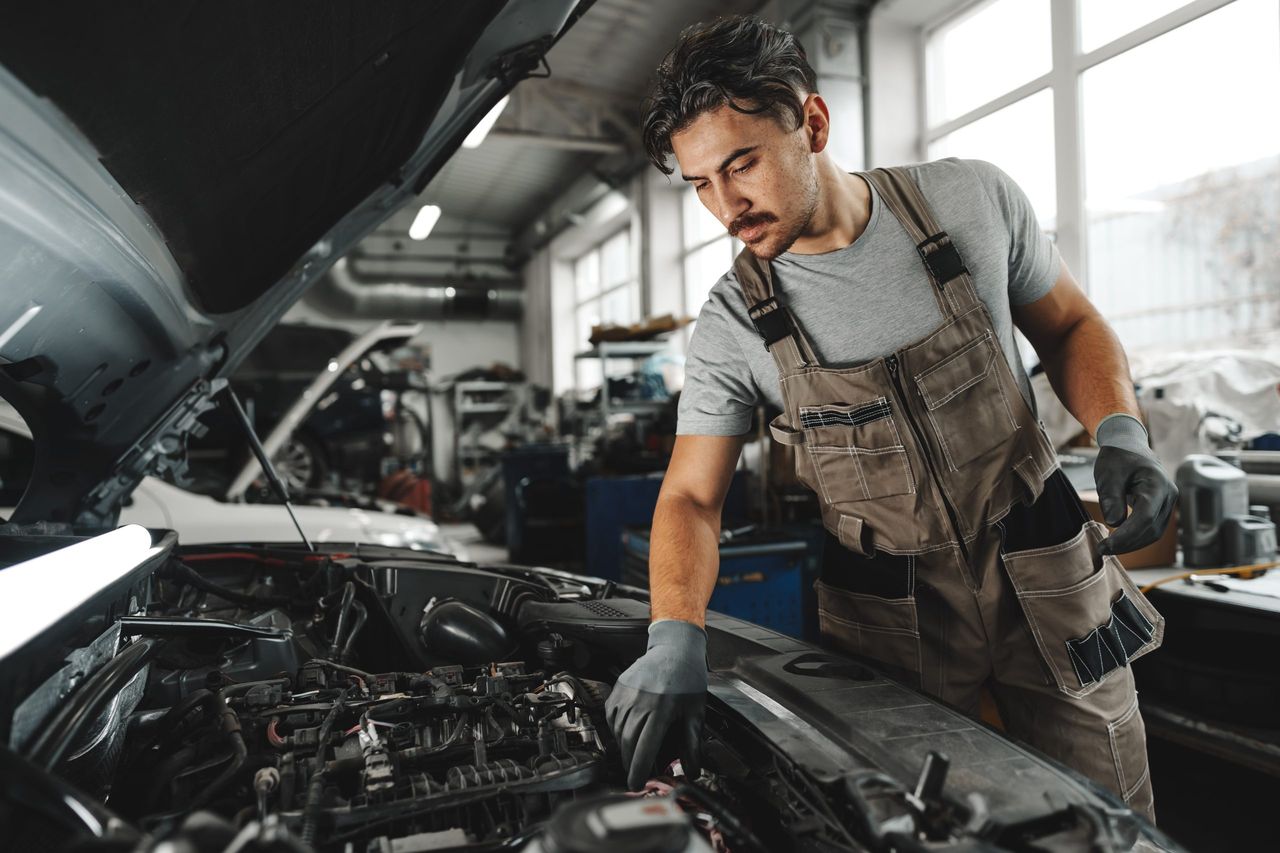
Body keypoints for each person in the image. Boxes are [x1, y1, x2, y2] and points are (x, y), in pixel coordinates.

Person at [604, 15, 1176, 822]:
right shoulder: (736, 321)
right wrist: (674, 631)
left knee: (1111, 824)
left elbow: (1072, 325)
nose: (726, 206)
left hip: (1046, 576)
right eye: (700, 184)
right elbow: (691, 497)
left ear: (812, 123)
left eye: (742, 164)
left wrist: (1121, 430)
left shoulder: (970, 202)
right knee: (913, 831)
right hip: (892, 620)